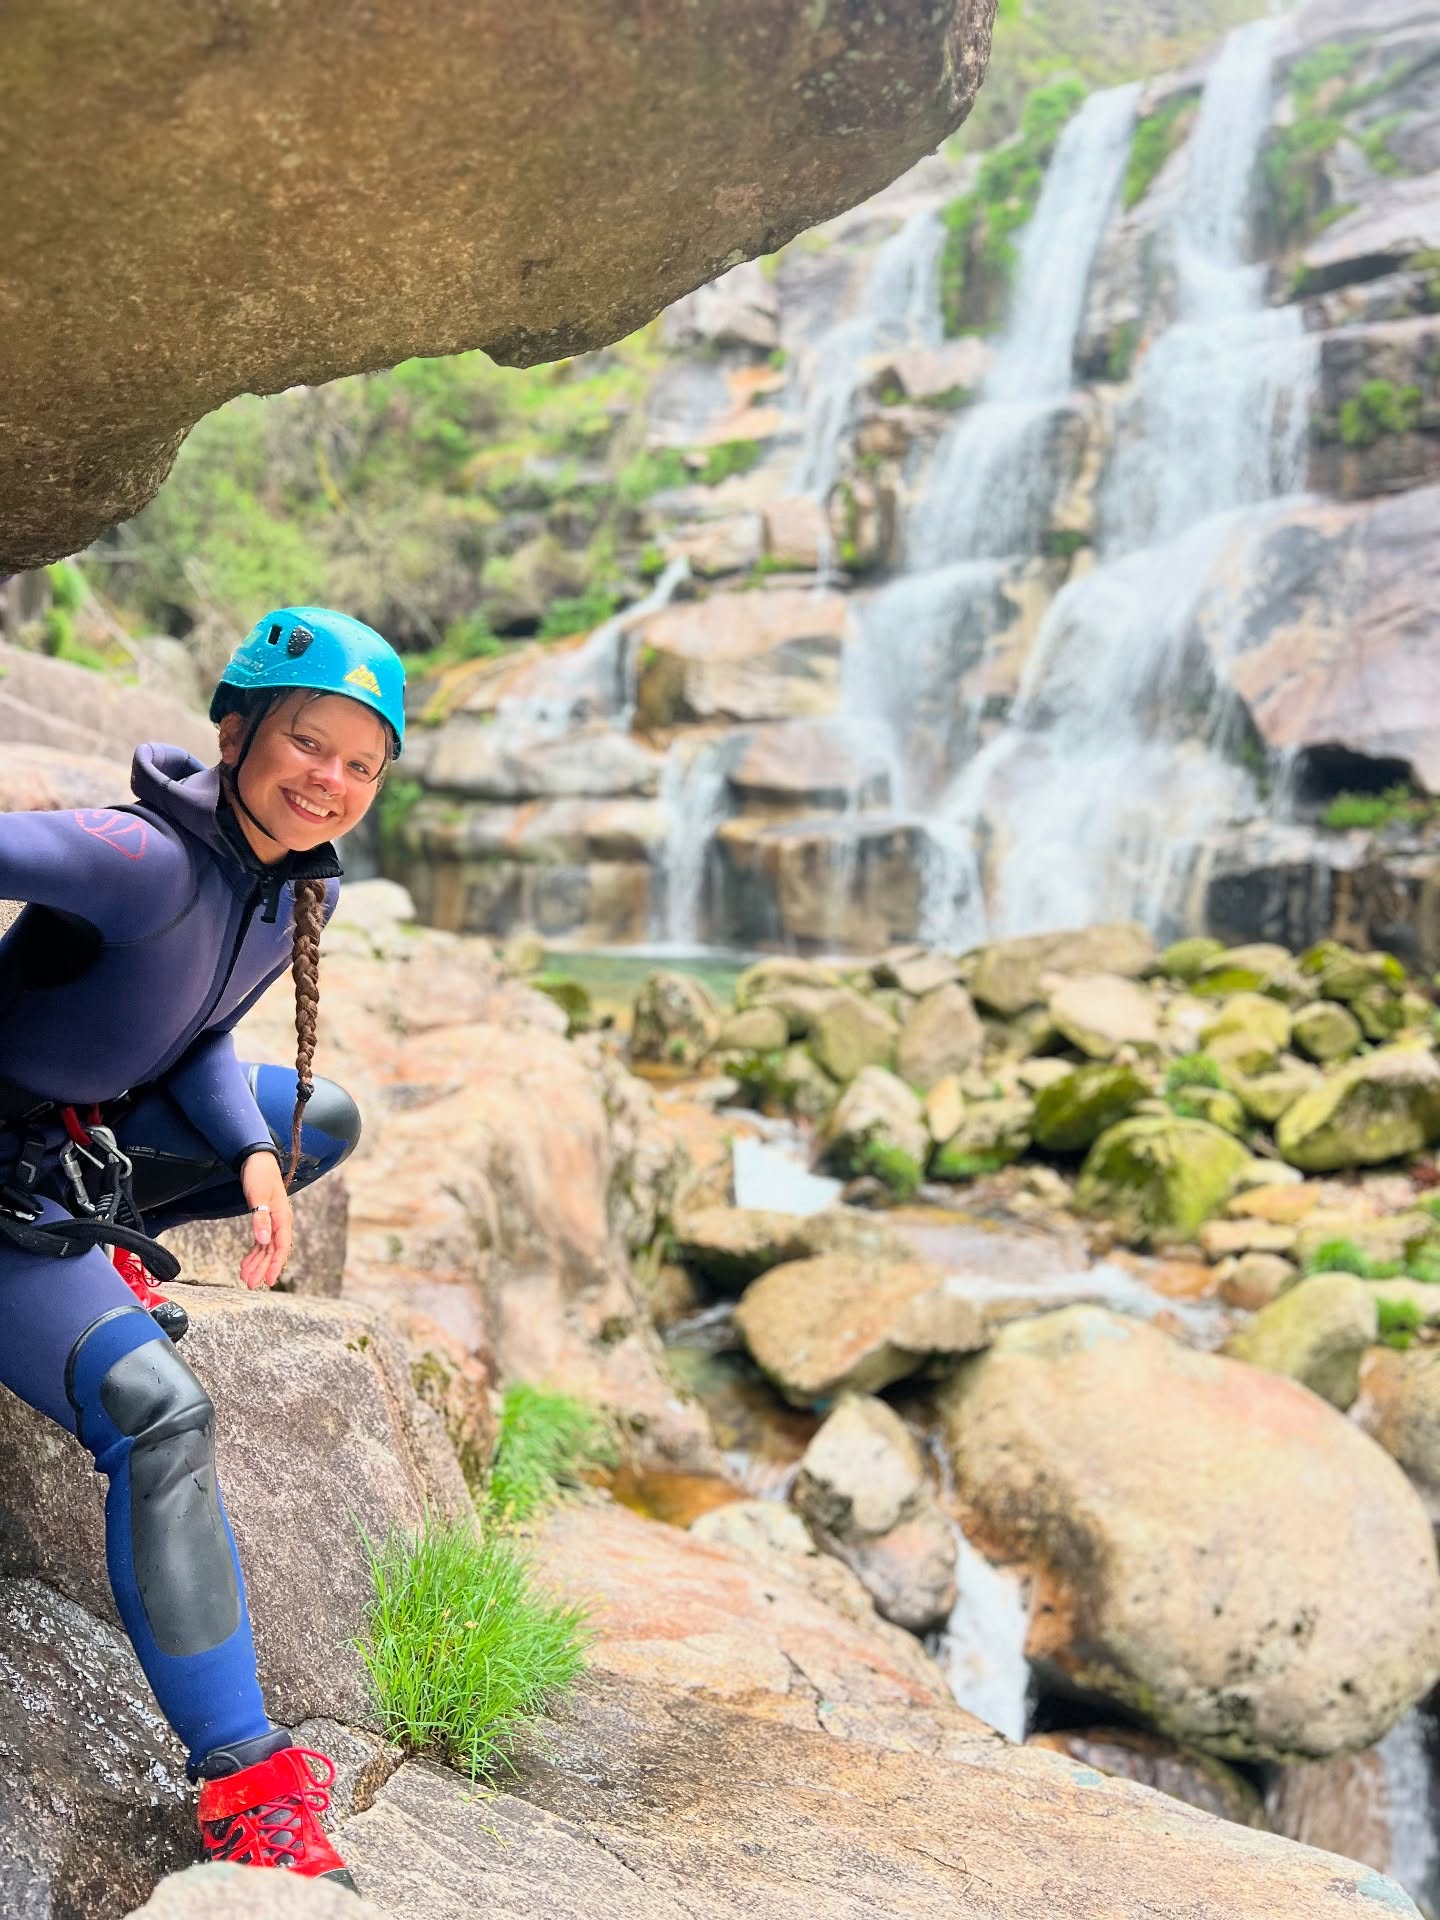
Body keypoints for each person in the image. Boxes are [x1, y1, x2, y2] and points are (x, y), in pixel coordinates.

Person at [0, 605, 406, 1890]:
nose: (327, 780)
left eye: (359, 763)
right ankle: (247, 1781)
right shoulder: (139, 858)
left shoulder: (282, 882)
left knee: (311, 1123)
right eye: (306, 742)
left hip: (69, 1145)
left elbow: (184, 1036)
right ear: (235, 732)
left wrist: (243, 1156)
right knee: (159, 1418)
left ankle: (100, 1250)